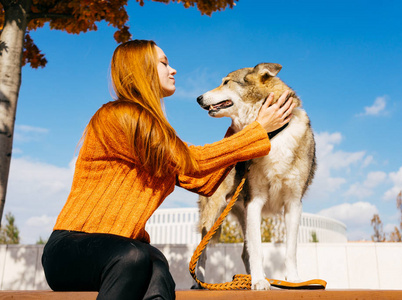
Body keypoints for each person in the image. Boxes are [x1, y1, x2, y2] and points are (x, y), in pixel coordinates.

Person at [41, 39, 295, 300]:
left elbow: (203, 181)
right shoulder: (118, 116)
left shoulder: (158, 133)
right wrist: (255, 132)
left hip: (124, 250)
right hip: (72, 248)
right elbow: (193, 161)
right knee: (136, 256)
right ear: (141, 69)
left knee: (157, 265)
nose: (173, 70)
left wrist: (240, 127)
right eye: (164, 63)